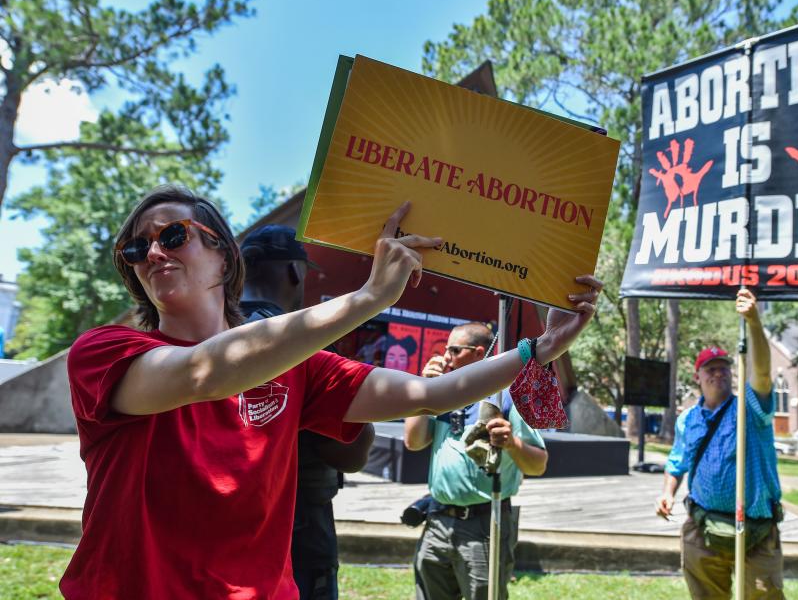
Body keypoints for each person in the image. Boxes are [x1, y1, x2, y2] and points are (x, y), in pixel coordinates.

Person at [62, 185, 600, 599]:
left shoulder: (299, 367)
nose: (153, 253)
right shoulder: (103, 351)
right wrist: (368, 297)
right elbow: (204, 373)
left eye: (172, 236)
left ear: (223, 256)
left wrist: (541, 347)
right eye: (136, 247)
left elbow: (432, 394)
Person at [240, 224, 375, 600]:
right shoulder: (301, 341)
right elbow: (350, 452)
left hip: (223, 519)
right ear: (295, 272)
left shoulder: (207, 334)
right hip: (297, 522)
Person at [404, 322, 548, 600]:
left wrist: (511, 443)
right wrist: (423, 390)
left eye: (454, 350)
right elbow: (414, 441)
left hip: (484, 524)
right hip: (437, 521)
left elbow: (538, 464)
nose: (446, 357)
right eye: (445, 350)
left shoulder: (508, 396)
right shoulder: (442, 393)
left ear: (479, 352)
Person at [654, 288, 783, 600]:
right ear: (697, 376)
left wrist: (753, 322)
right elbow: (677, 462)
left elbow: (763, 374)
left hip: (756, 531)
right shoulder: (688, 420)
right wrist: (667, 493)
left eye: (724, 367)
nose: (718, 372)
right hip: (703, 530)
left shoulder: (749, 410)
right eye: (710, 368)